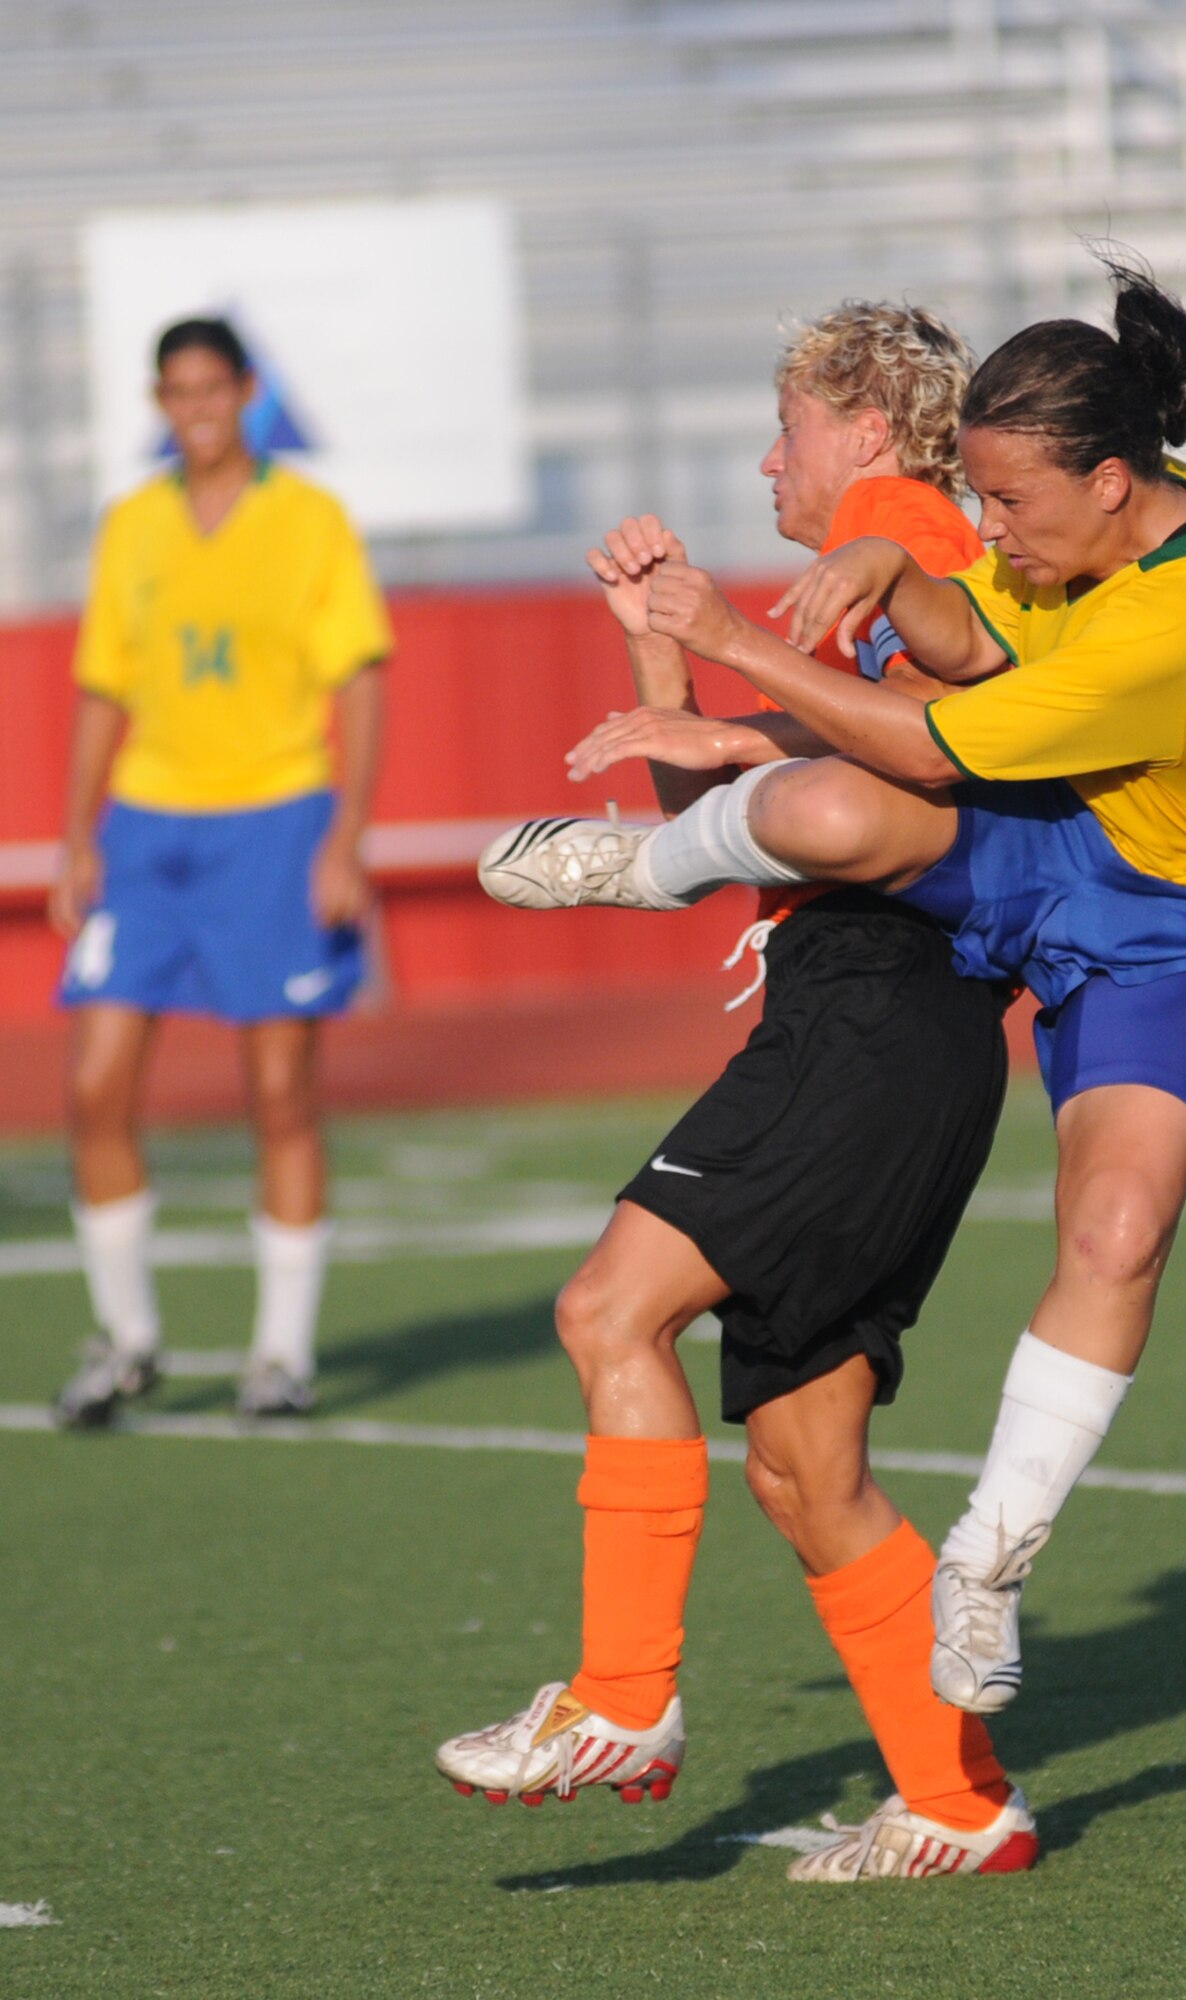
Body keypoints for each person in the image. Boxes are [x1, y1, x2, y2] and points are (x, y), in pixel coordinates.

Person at [479, 257, 1186, 1721]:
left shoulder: (1176, 622)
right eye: (971, 501)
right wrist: (897, 582)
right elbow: (976, 642)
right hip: (1056, 845)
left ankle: (986, 1562)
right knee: (823, 812)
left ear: (1114, 484)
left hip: (1172, 927)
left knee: (1116, 1234)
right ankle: (650, 868)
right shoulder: (1104, 528)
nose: (985, 528)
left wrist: (733, 646)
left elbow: (941, 739)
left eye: (1007, 506)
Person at [440, 303, 1043, 1883]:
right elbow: (714, 803)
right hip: (898, 1034)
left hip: (869, 1015)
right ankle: (962, 1805)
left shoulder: (893, 523)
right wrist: (662, 631)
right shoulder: (862, 559)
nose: (770, 462)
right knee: (803, 1465)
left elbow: (941, 753)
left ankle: (622, 1698)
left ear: (861, 423)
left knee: (604, 1313)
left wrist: (722, 656)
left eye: (786, 425)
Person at [51, 316, 391, 1424]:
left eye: (213, 386)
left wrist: (345, 835)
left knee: (281, 1092)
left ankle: (279, 1355)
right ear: (160, 401)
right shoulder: (133, 524)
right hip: (149, 831)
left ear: (245, 391)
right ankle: (127, 1336)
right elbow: (104, 684)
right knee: (96, 1082)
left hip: (276, 822)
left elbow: (360, 680)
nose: (195, 407)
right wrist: (78, 832)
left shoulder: (309, 517)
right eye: (176, 391)